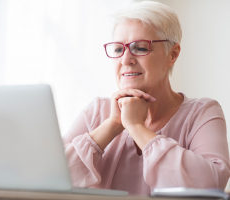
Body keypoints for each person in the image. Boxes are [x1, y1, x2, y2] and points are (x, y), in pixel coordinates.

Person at [62, 1, 230, 196]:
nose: (125, 60)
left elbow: (212, 182)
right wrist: (113, 124)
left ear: (172, 55)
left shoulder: (203, 112)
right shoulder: (97, 110)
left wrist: (136, 127)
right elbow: (50, 176)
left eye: (140, 48)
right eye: (118, 49)